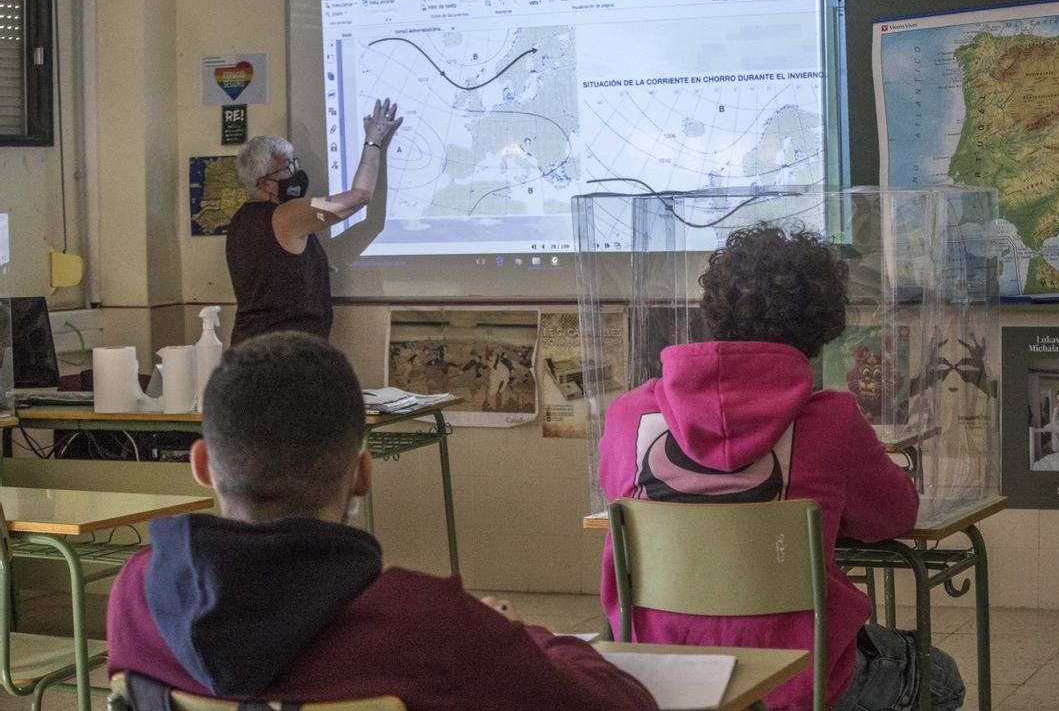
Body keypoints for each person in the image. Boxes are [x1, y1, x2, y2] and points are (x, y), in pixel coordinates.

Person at [106, 332, 655, 711]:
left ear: (202, 466)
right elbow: (619, 702)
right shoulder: (431, 623)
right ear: (363, 473)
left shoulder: (137, 594)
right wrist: (521, 635)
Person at [598, 224, 965, 711]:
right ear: (821, 327)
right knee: (942, 678)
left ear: (716, 311)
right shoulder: (834, 421)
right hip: (798, 676)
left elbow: (619, 500)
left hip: (661, 673)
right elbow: (896, 515)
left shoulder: (628, 416)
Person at [226, 99, 403, 346]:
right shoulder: (286, 215)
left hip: (254, 349)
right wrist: (373, 140)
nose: (297, 171)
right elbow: (360, 196)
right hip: (281, 354)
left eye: (295, 162)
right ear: (265, 184)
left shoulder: (241, 220)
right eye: (288, 166)